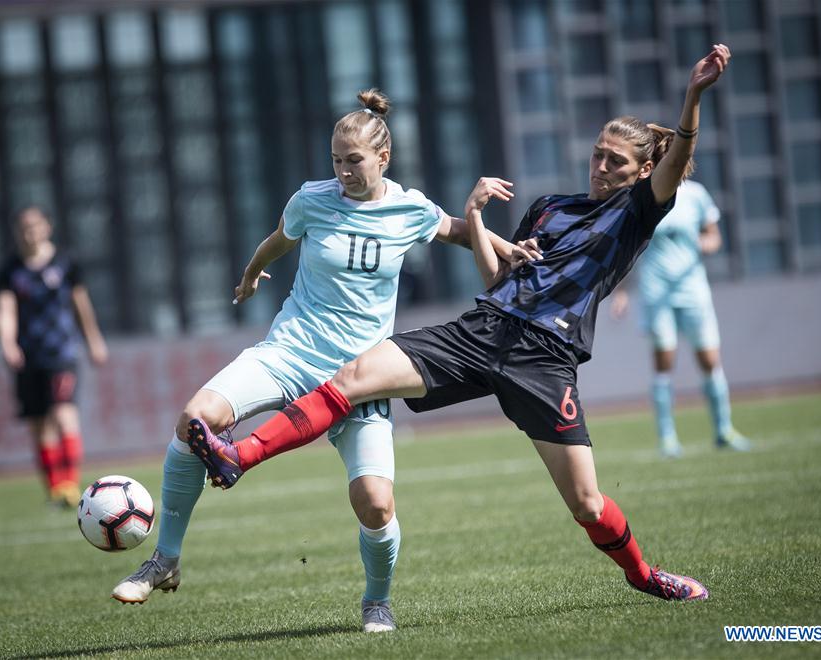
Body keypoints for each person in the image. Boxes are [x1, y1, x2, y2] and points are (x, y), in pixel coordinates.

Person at [191, 45, 732, 604]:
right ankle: (239, 456)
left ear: (643, 171)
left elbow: (677, 159)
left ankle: (644, 575)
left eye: (615, 162)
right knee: (353, 376)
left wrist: (693, 96)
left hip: (545, 359)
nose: (600, 168)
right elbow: (498, 278)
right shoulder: (549, 208)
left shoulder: (638, 210)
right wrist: (473, 215)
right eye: (597, 155)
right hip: (483, 330)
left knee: (588, 505)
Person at [111, 90, 530, 633]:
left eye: (353, 161)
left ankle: (376, 601)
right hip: (290, 351)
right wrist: (250, 272)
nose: (343, 171)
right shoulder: (313, 199)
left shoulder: (409, 207)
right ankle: (164, 560)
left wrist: (508, 247)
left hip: (362, 375)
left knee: (376, 504)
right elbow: (279, 241)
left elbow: (454, 229)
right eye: (336, 160)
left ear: (383, 159)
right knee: (196, 418)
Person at [610, 180, 751, 457]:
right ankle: (668, 439)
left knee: (709, 360)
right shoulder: (644, 197)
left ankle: (724, 430)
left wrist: (702, 244)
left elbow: (714, 236)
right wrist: (622, 291)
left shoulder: (696, 194)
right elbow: (631, 248)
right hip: (656, 291)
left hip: (692, 290)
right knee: (664, 362)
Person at [0, 206, 109, 507]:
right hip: (28, 356)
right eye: (24, 227)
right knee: (39, 423)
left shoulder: (65, 262)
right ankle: (55, 489)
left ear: (47, 227)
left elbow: (81, 305)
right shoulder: (9, 270)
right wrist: (7, 343)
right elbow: (5, 310)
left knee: (63, 413)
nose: (30, 232)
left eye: (35, 225)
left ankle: (70, 483)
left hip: (61, 353)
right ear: (18, 232)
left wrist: (94, 340)